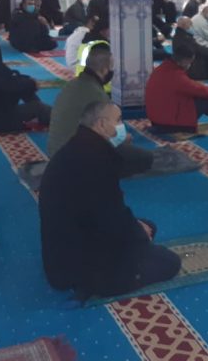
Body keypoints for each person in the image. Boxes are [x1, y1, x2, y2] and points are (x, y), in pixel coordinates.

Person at [39, 101, 180, 300]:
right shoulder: (95, 161)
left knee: (148, 226)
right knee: (170, 262)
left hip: (63, 253)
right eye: (118, 120)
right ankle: (103, 282)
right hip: (82, 268)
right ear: (102, 124)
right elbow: (109, 220)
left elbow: (104, 211)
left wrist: (137, 228)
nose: (122, 126)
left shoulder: (78, 147)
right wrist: (138, 234)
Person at [48, 43, 154, 176]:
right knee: (145, 158)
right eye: (111, 68)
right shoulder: (96, 94)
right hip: (76, 158)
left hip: (56, 152)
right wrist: (123, 139)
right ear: (104, 70)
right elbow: (111, 136)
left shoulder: (72, 84)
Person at [145, 42, 208, 133]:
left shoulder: (160, 69)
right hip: (171, 122)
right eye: (190, 62)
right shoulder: (176, 76)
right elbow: (200, 90)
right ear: (184, 61)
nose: (190, 65)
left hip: (158, 119)